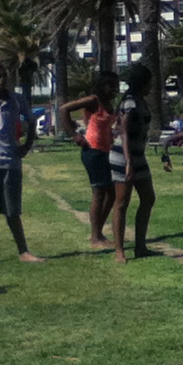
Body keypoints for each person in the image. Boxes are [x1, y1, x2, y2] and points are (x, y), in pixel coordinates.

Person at [0, 63, 44, 264]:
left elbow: (31, 121)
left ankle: (24, 252)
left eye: (4, 76)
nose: (2, 80)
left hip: (12, 161)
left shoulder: (16, 100)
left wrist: (27, 145)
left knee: (13, 211)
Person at [59, 71, 120, 247]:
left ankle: (98, 231)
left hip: (105, 151)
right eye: (111, 86)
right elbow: (64, 109)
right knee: (99, 192)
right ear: (103, 86)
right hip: (92, 150)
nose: (114, 89)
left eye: (116, 86)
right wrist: (74, 135)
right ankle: (95, 236)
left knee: (111, 194)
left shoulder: (109, 103)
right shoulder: (93, 100)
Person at [110, 64, 158, 263]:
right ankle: (119, 251)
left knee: (148, 198)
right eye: (149, 82)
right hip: (124, 156)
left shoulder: (139, 100)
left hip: (138, 155)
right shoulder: (130, 101)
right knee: (122, 203)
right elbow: (124, 131)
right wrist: (128, 161)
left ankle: (140, 246)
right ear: (143, 82)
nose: (151, 86)